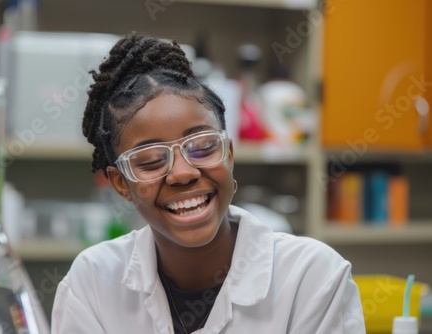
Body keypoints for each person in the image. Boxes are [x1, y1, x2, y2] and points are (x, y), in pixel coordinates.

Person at [51, 32, 365, 334]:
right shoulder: (92, 282)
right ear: (121, 184)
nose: (182, 173)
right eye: (149, 160)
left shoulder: (312, 277)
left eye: (201, 147)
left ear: (229, 154)